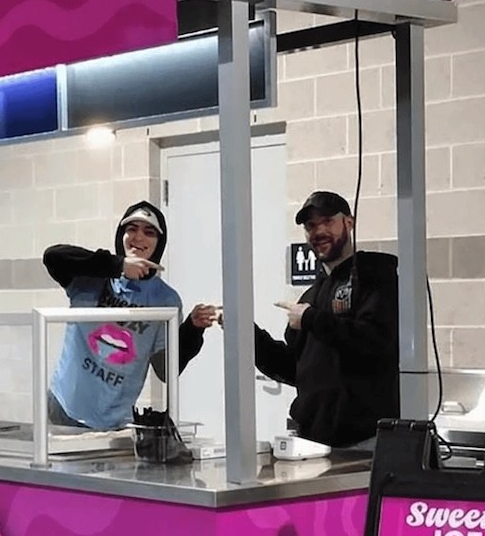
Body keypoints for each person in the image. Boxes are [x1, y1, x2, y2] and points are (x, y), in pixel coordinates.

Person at [42, 201, 217, 431]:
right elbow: (53, 256)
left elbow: (165, 370)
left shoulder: (165, 299)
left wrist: (192, 330)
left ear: (159, 243)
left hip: (114, 421)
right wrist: (118, 265)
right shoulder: (92, 277)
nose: (138, 237)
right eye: (131, 229)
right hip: (62, 409)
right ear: (121, 235)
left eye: (149, 232)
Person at [253, 190, 399, 449]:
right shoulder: (311, 295)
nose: (319, 231)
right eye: (311, 226)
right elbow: (295, 369)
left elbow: (373, 341)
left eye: (328, 221)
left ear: (349, 222)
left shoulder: (376, 280)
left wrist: (311, 319)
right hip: (313, 439)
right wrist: (247, 336)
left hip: (365, 439)